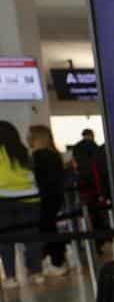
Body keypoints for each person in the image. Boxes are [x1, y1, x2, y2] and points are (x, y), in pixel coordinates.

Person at [0, 121, 41, 288]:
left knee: (5, 241)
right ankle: (36, 273)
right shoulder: (23, 151)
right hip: (30, 199)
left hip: (4, 199)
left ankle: (10, 277)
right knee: (31, 238)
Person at [28, 125, 68, 277]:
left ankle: (56, 262)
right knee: (51, 228)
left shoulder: (38, 156)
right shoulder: (54, 155)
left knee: (47, 229)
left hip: (43, 198)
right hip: (55, 197)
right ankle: (58, 260)